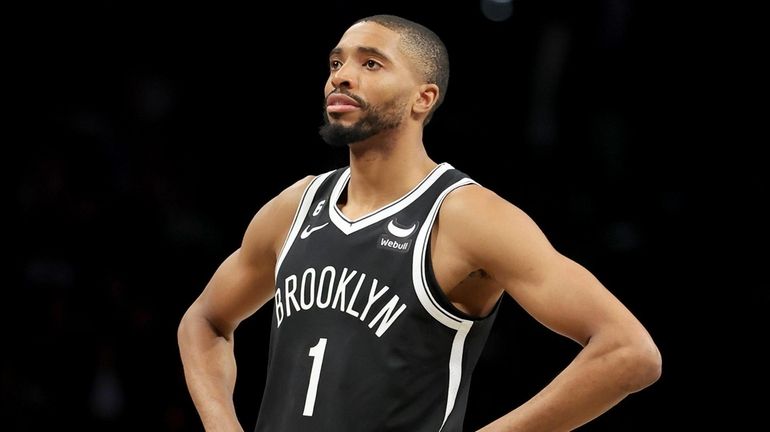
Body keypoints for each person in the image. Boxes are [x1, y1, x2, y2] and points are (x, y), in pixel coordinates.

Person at [177, 14, 662, 432]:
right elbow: (205, 321)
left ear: (423, 98)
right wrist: (223, 424)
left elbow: (629, 351)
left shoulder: (465, 215)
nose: (342, 77)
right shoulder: (295, 207)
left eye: (370, 63)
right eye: (336, 62)